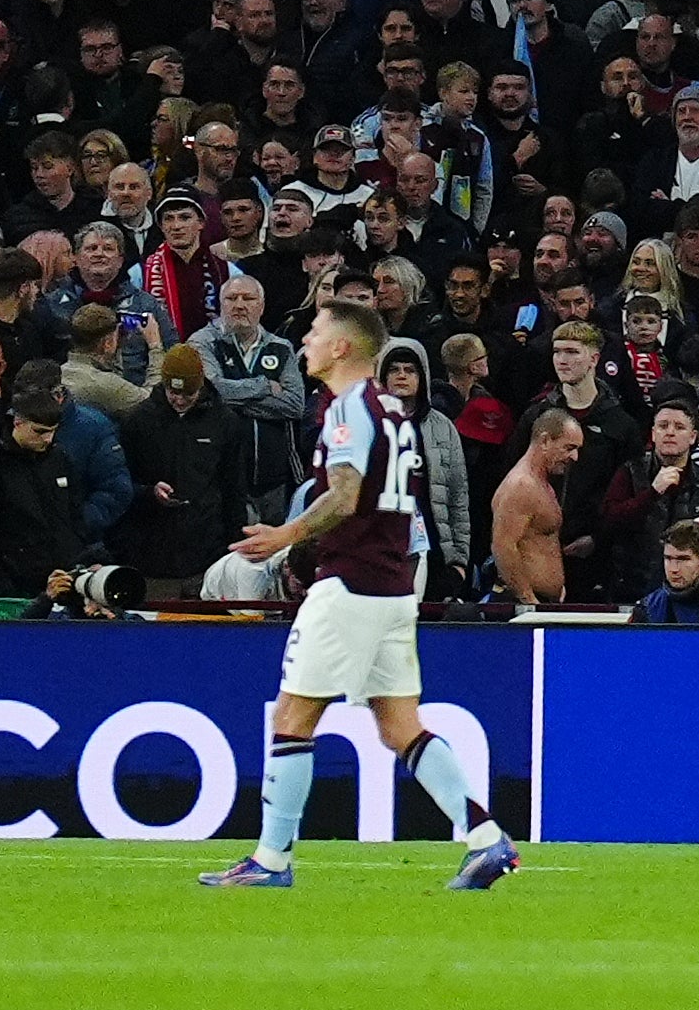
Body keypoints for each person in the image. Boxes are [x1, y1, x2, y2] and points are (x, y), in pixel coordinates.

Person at [196, 294, 520, 895]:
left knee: (293, 719)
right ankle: (486, 839)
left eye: (316, 331)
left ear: (342, 345)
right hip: (394, 586)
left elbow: (344, 496)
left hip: (349, 584)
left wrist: (286, 535)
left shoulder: (347, 409)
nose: (305, 342)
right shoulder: (395, 411)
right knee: (399, 727)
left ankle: (270, 860)